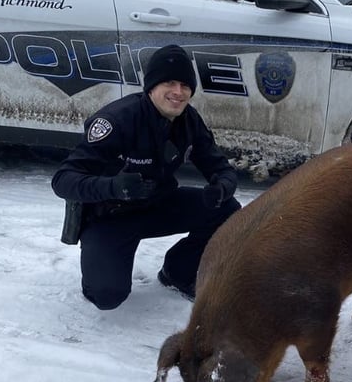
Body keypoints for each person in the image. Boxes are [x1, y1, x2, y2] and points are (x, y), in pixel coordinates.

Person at [51, 44, 241, 310]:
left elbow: (222, 169)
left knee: (228, 210)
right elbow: (63, 180)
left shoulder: (189, 120)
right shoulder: (116, 121)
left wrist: (221, 188)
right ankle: (98, 273)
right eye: (169, 82)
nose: (178, 92)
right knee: (107, 296)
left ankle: (178, 271)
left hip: (157, 204)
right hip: (111, 215)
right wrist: (113, 187)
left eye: (185, 85)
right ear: (151, 86)